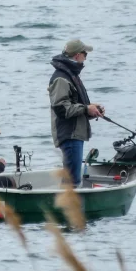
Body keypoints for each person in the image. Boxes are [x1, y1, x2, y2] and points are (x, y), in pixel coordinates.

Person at [48, 39, 105, 187]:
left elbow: (73, 104)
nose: (86, 58)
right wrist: (86, 109)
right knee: (71, 182)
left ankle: (67, 208)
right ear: (78, 55)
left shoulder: (70, 74)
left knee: (72, 180)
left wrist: (92, 109)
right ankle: (67, 209)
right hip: (70, 135)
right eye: (85, 54)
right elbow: (61, 109)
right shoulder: (62, 78)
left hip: (74, 135)